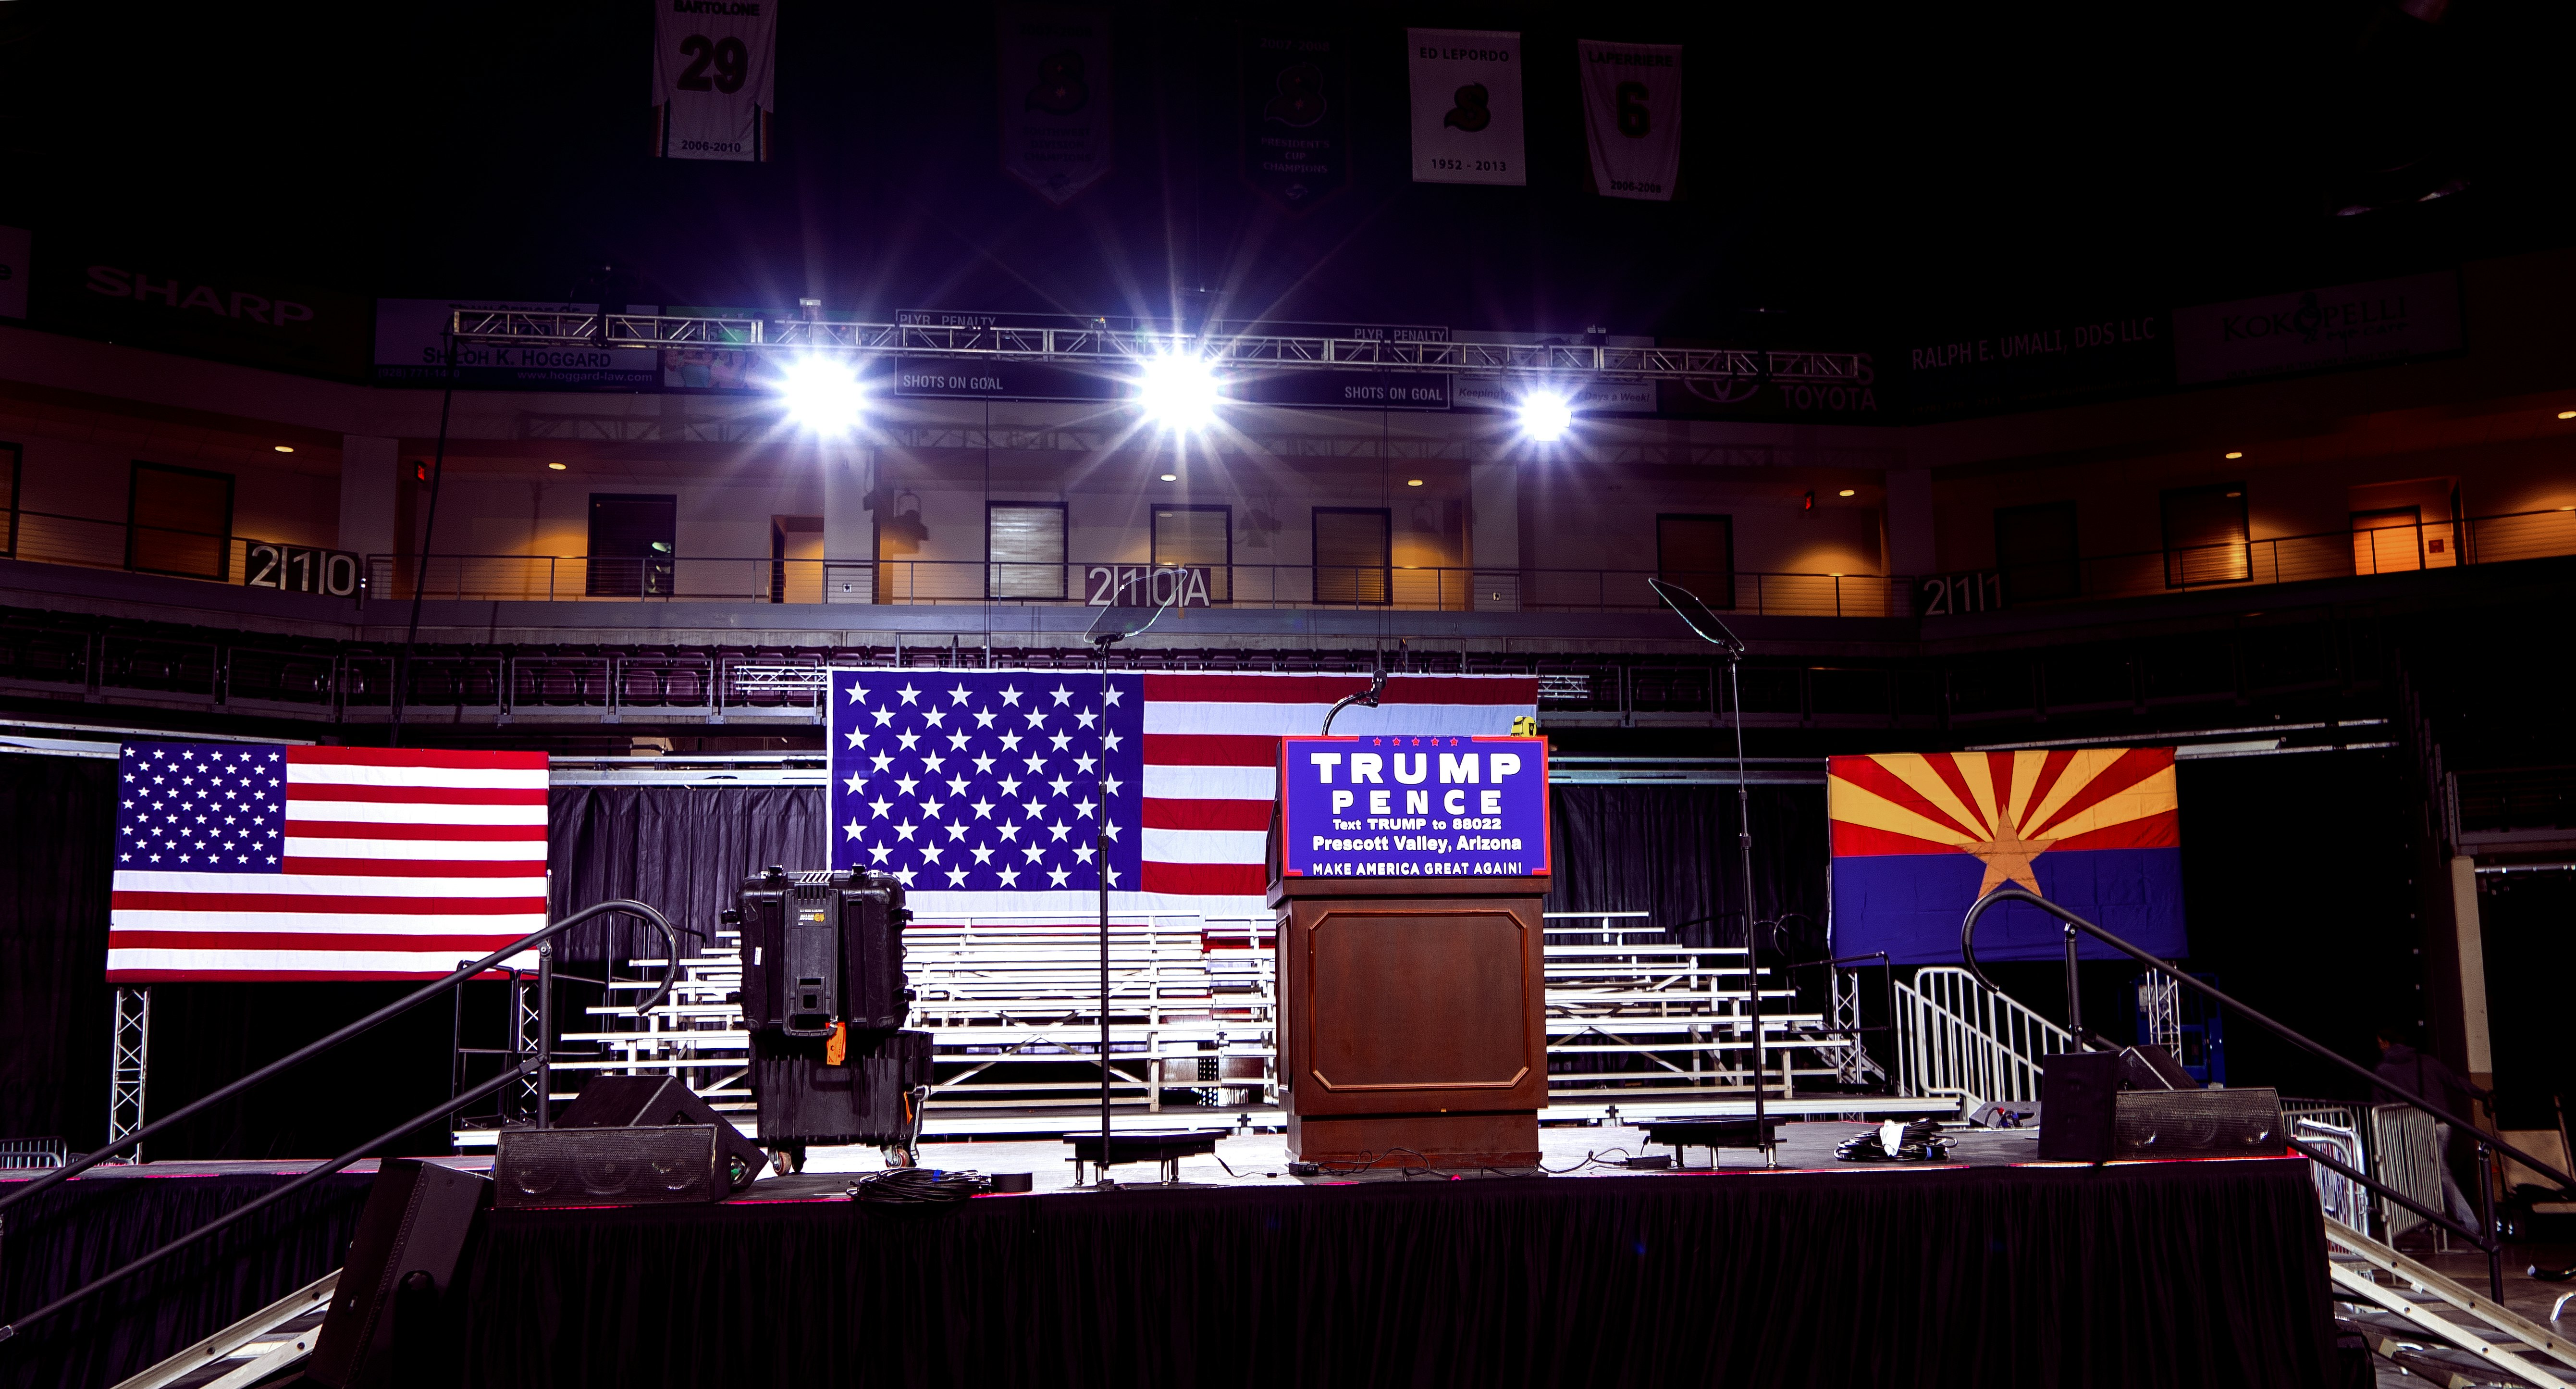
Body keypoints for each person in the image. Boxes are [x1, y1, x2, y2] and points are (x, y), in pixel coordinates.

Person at [2375, 1024, 2483, 1234]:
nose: (2380, 1048)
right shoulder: (2426, 1062)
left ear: (2387, 1044)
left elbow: (2379, 1105)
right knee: (2439, 1172)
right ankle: (2447, 1221)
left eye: (2380, 1044)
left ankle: (2450, 1222)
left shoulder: (2384, 1070)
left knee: (2418, 1174)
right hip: (2441, 1124)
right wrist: (2482, 1094)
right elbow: (2456, 1081)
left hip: (2413, 1126)